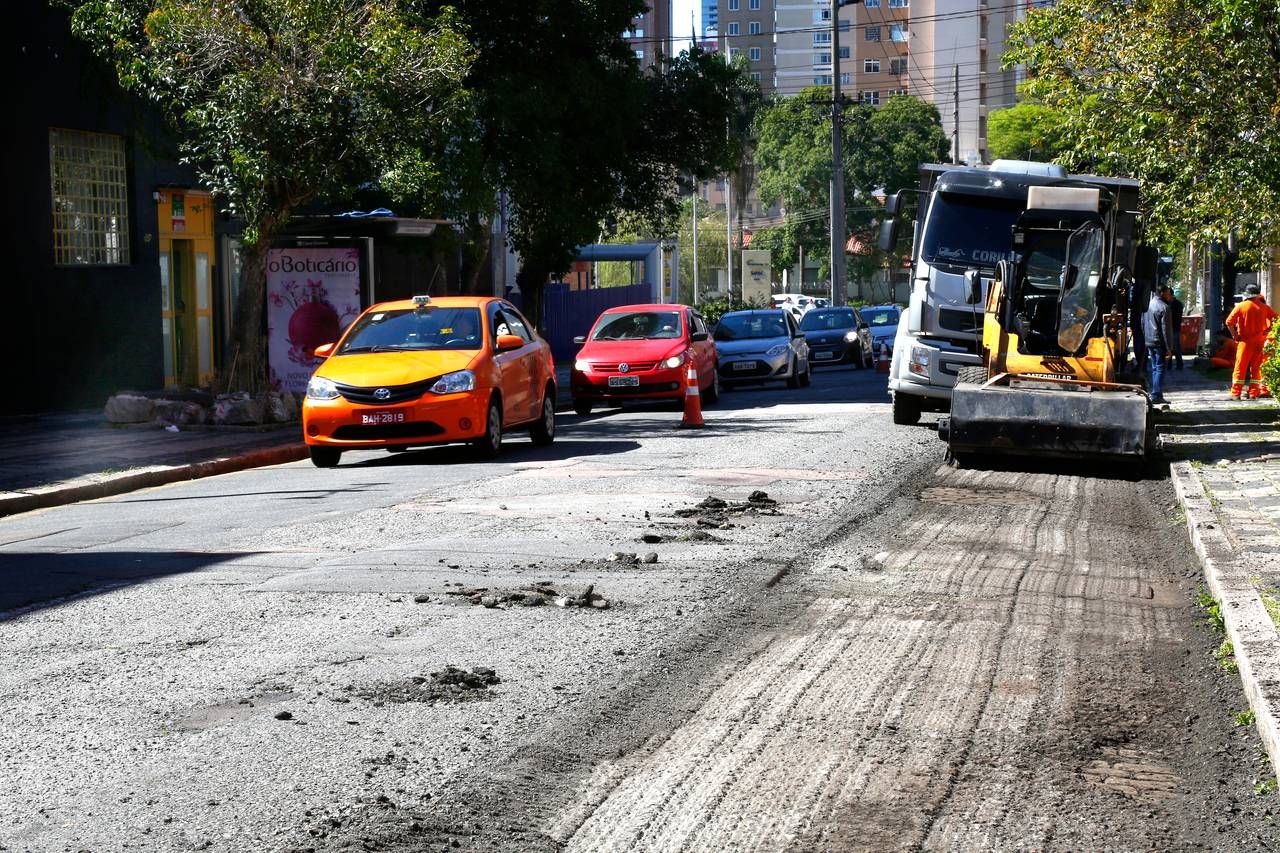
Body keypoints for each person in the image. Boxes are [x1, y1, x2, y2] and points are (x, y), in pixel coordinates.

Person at [1225, 283, 1279, 399]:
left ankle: (1236, 393)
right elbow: (1277, 319)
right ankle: (1253, 393)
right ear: (1257, 295)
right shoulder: (1264, 307)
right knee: (1256, 368)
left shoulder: (1241, 306)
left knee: (1240, 367)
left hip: (1245, 342)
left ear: (1246, 294)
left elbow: (1229, 322)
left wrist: (1235, 336)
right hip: (1260, 341)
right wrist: (1268, 329)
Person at [1142, 284, 1174, 404]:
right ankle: (1156, 394)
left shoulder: (1149, 305)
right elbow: (1166, 330)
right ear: (1162, 293)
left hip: (1149, 340)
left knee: (1154, 367)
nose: (1169, 296)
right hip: (1159, 342)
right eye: (1168, 293)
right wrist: (1169, 348)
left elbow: (1142, 322)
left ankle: (1156, 393)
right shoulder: (1164, 307)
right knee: (1160, 368)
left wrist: (1145, 337)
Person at [1168, 287, 1185, 370]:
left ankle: (1179, 363)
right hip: (1171, 328)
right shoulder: (1169, 303)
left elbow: (1177, 318)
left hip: (1174, 328)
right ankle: (1170, 363)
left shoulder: (1176, 304)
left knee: (1175, 346)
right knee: (1171, 346)